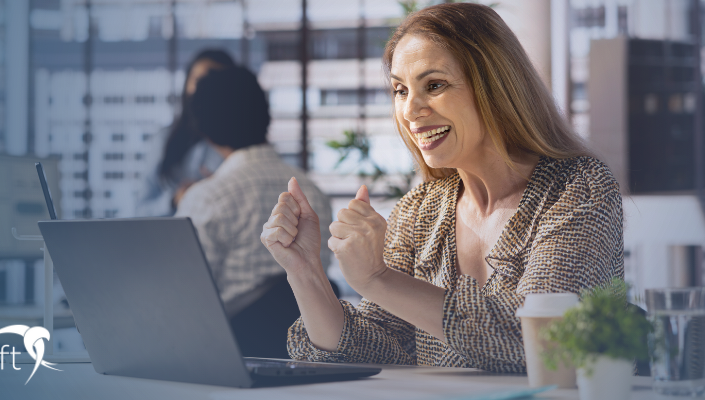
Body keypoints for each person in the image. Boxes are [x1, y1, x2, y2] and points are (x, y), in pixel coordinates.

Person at [260, 3, 623, 372]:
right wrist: (306, 272)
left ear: (495, 87)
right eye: (400, 90)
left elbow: (540, 343)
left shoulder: (578, 188)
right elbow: (375, 352)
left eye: (434, 85)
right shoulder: (420, 210)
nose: (410, 110)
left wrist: (378, 278)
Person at [175, 66, 334, 359]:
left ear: (205, 131)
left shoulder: (205, 198)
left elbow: (184, 303)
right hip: (311, 361)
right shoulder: (313, 193)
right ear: (265, 115)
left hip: (228, 360)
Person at [138, 50, 235, 216]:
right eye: (198, 80)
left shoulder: (237, 145)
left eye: (214, 82)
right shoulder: (164, 139)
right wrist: (175, 199)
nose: (203, 90)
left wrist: (221, 190)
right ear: (186, 85)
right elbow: (139, 211)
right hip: (169, 238)